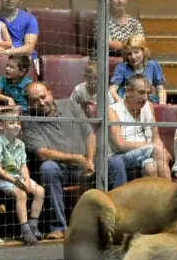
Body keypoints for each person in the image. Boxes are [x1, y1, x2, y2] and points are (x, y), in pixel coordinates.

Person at [23, 82, 125, 237]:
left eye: (43, 97)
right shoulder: (29, 121)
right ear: (29, 104)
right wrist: (78, 158)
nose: (41, 103)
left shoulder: (69, 105)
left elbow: (89, 134)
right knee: (48, 168)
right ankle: (58, 227)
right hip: (61, 169)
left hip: (86, 163)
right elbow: (42, 153)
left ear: (50, 93)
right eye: (35, 100)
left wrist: (89, 160)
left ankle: (121, 221)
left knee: (115, 162)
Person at [0, 110, 44, 245]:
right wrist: (17, 183)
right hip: (0, 179)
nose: (16, 126)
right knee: (21, 193)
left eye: (18, 123)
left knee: (40, 191)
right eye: (11, 123)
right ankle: (25, 231)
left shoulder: (21, 144)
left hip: (17, 177)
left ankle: (33, 225)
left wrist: (26, 179)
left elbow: (23, 167)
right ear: (1, 125)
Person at [106, 74, 172, 181]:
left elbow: (156, 138)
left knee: (151, 168)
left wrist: (161, 148)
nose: (145, 97)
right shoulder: (112, 110)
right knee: (157, 150)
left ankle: (152, 197)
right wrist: (152, 147)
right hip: (121, 156)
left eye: (148, 93)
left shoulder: (148, 106)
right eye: (141, 92)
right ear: (128, 92)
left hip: (146, 154)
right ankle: (171, 194)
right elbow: (120, 145)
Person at [0, 0, 39, 74]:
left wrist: (6, 52)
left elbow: (29, 49)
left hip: (26, 62)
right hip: (1, 62)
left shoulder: (30, 19)